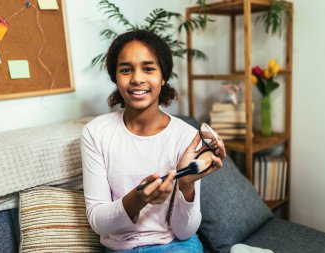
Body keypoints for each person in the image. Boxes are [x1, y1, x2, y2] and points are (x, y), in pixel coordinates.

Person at [81, 30, 226, 252]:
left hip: (176, 246)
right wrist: (139, 198)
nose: (137, 78)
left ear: (163, 76)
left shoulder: (187, 137)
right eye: (126, 70)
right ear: (115, 78)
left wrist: (187, 184)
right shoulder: (95, 133)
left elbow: (184, 232)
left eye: (148, 68)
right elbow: (98, 222)